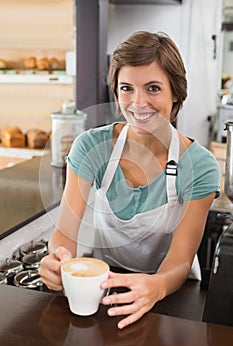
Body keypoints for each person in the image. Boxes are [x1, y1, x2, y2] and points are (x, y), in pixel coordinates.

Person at [39, 31, 220, 329]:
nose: (138, 102)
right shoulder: (90, 147)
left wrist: (156, 286)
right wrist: (59, 261)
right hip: (103, 286)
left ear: (175, 93)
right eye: (126, 88)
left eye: (152, 88)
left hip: (170, 295)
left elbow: (179, 260)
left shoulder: (200, 166)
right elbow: (65, 233)